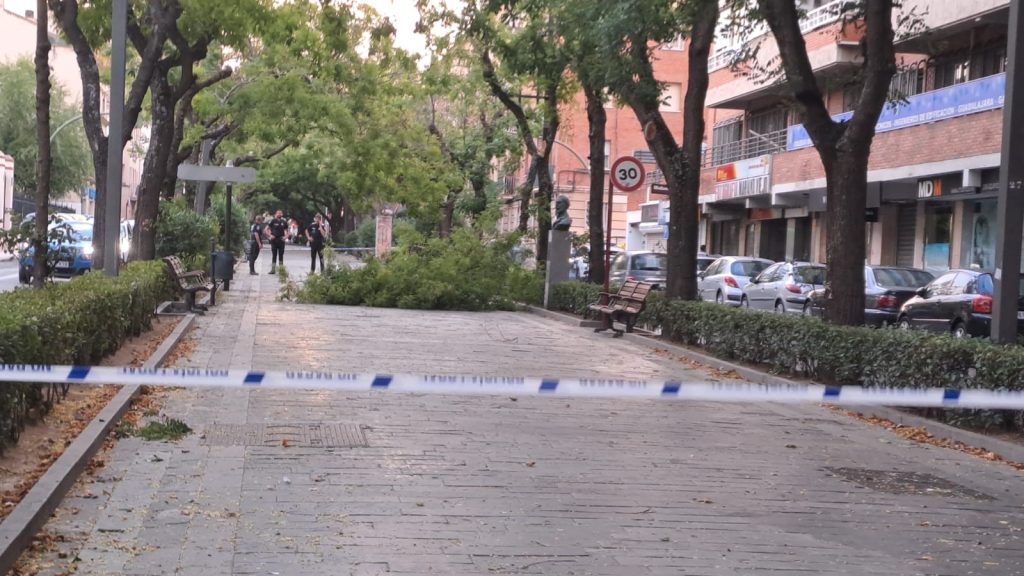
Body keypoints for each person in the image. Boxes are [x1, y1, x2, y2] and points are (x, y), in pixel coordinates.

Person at [266, 209, 288, 273]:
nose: (279, 214)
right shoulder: (273, 221)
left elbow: (287, 231)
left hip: (281, 240)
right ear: (276, 214)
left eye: (280, 213)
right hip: (274, 240)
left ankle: (281, 270)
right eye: (278, 213)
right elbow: (266, 229)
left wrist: (285, 237)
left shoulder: (284, 222)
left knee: (281, 255)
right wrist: (270, 235)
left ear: (282, 214)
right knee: (274, 255)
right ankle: (273, 270)